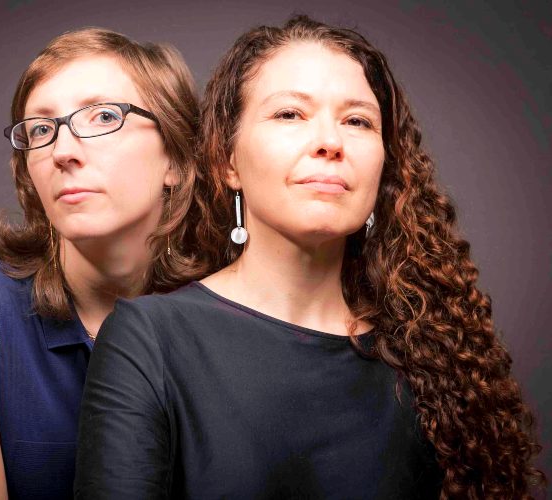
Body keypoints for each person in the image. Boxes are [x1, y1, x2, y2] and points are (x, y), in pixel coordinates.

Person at [75, 15, 546, 499]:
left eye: (357, 121)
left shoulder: (429, 354)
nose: (330, 142)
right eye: (290, 114)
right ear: (226, 160)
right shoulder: (149, 338)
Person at [0, 27, 205, 499]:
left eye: (104, 116)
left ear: (175, 157)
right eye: (40, 129)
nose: (63, 151)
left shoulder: (232, 312)